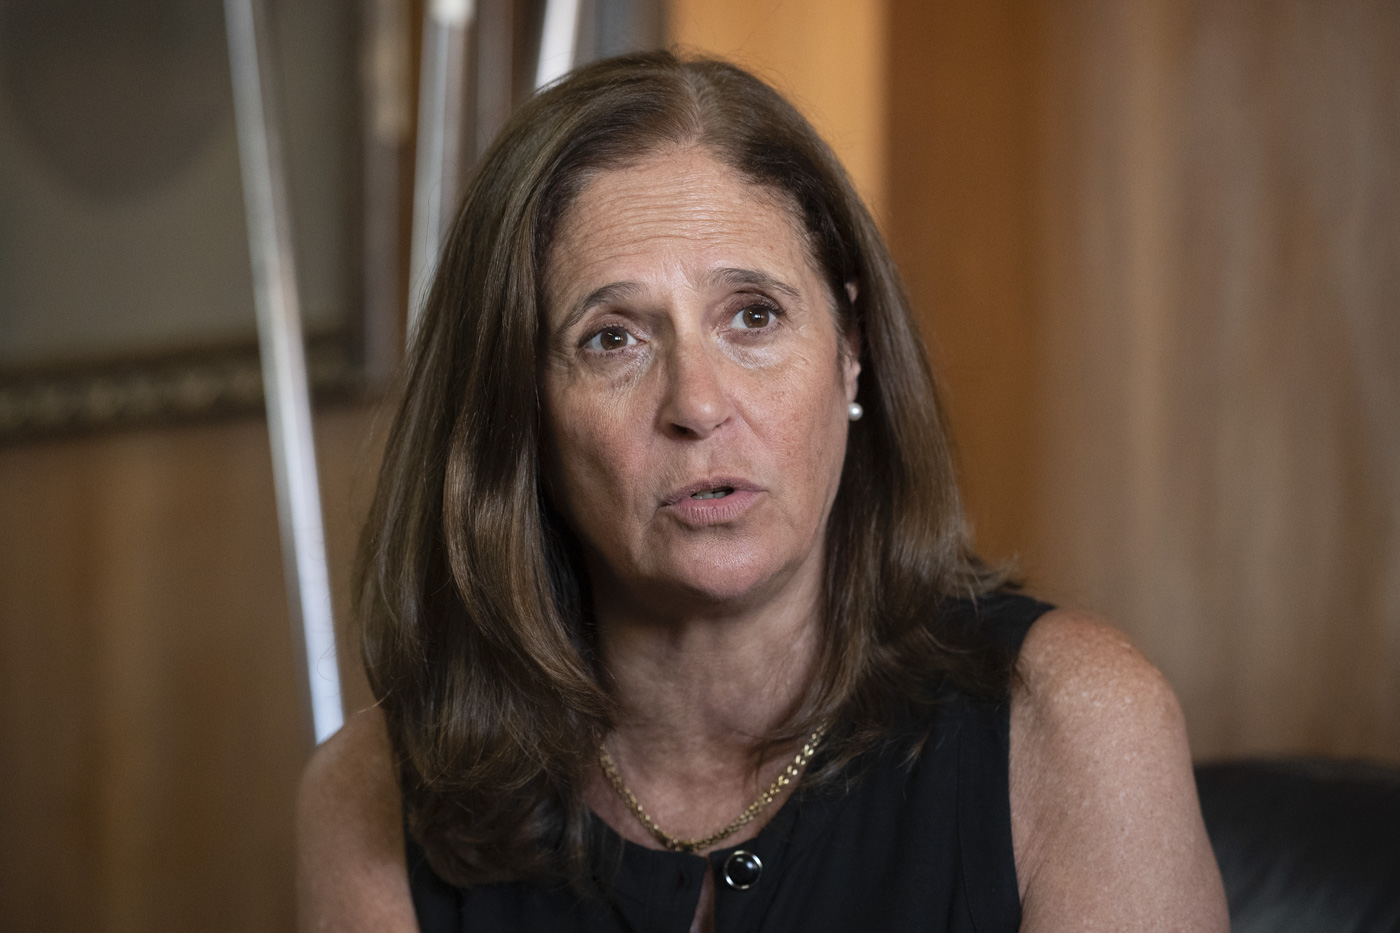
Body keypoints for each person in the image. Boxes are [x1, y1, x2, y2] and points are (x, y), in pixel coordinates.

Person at [297, 52, 1229, 932]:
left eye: (753, 315)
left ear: (851, 348)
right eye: (613, 338)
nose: (698, 404)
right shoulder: (370, 794)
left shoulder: (1074, 720)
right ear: (521, 410)